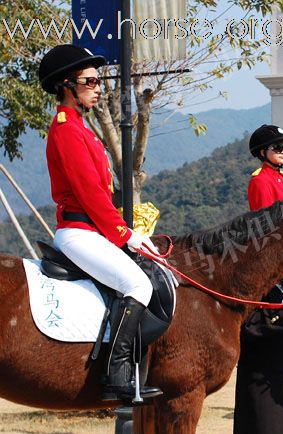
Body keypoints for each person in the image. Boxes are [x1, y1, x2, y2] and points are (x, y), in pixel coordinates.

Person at [38, 44, 161, 402]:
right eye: (89, 80)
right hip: (79, 233)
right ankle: (117, 373)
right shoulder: (65, 129)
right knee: (137, 285)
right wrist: (125, 235)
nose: (97, 86)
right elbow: (91, 194)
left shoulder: (82, 128)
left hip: (93, 232)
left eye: (97, 79)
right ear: (66, 85)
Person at [233, 124, 283, 434]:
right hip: (277, 265)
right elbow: (269, 232)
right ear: (262, 152)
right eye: (277, 146)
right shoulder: (260, 180)